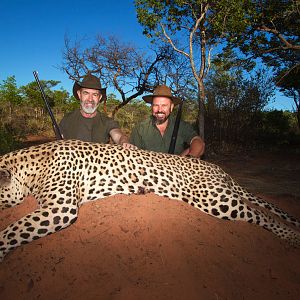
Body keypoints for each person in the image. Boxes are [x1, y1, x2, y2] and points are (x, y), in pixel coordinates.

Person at [59, 73, 134, 148]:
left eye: (95, 94)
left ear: (100, 97)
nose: (90, 99)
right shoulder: (67, 119)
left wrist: (124, 142)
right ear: (79, 94)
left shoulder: (107, 121)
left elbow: (118, 135)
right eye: (86, 93)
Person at [130, 85, 205, 158]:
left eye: (164, 105)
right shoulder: (139, 129)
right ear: (151, 106)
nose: (159, 110)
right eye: (156, 105)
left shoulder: (181, 125)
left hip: (177, 167)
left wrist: (189, 159)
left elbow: (197, 141)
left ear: (171, 107)